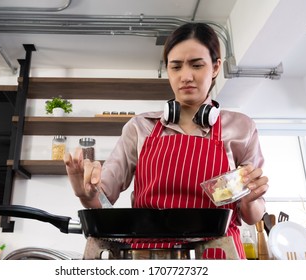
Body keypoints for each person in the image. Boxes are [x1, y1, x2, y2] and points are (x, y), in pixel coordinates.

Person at [64, 22, 269, 259]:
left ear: (215, 67)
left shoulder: (241, 127)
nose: (186, 76)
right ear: (168, 70)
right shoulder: (140, 128)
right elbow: (102, 197)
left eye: (196, 65)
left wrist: (252, 199)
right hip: (149, 257)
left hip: (219, 256)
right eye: (176, 66)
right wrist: (86, 193)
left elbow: (251, 216)